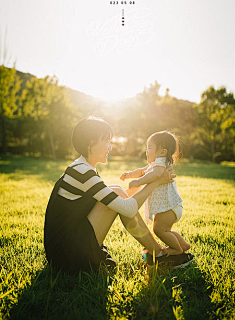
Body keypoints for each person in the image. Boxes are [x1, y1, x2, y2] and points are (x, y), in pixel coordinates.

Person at [44, 116, 178, 274]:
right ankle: (158, 254)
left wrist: (145, 182)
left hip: (65, 248)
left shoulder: (83, 168)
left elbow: (121, 200)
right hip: (66, 256)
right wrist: (156, 181)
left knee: (117, 191)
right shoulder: (82, 172)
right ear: (91, 143)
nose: (110, 147)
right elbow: (127, 209)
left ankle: (156, 252)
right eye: (106, 141)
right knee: (117, 193)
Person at [120, 130, 193, 265]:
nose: (146, 151)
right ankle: (183, 244)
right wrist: (130, 174)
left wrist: (138, 182)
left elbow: (155, 174)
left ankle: (176, 249)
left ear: (162, 152)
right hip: (170, 205)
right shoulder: (154, 164)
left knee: (158, 230)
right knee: (166, 230)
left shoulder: (160, 163)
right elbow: (142, 171)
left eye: (149, 147)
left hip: (169, 206)